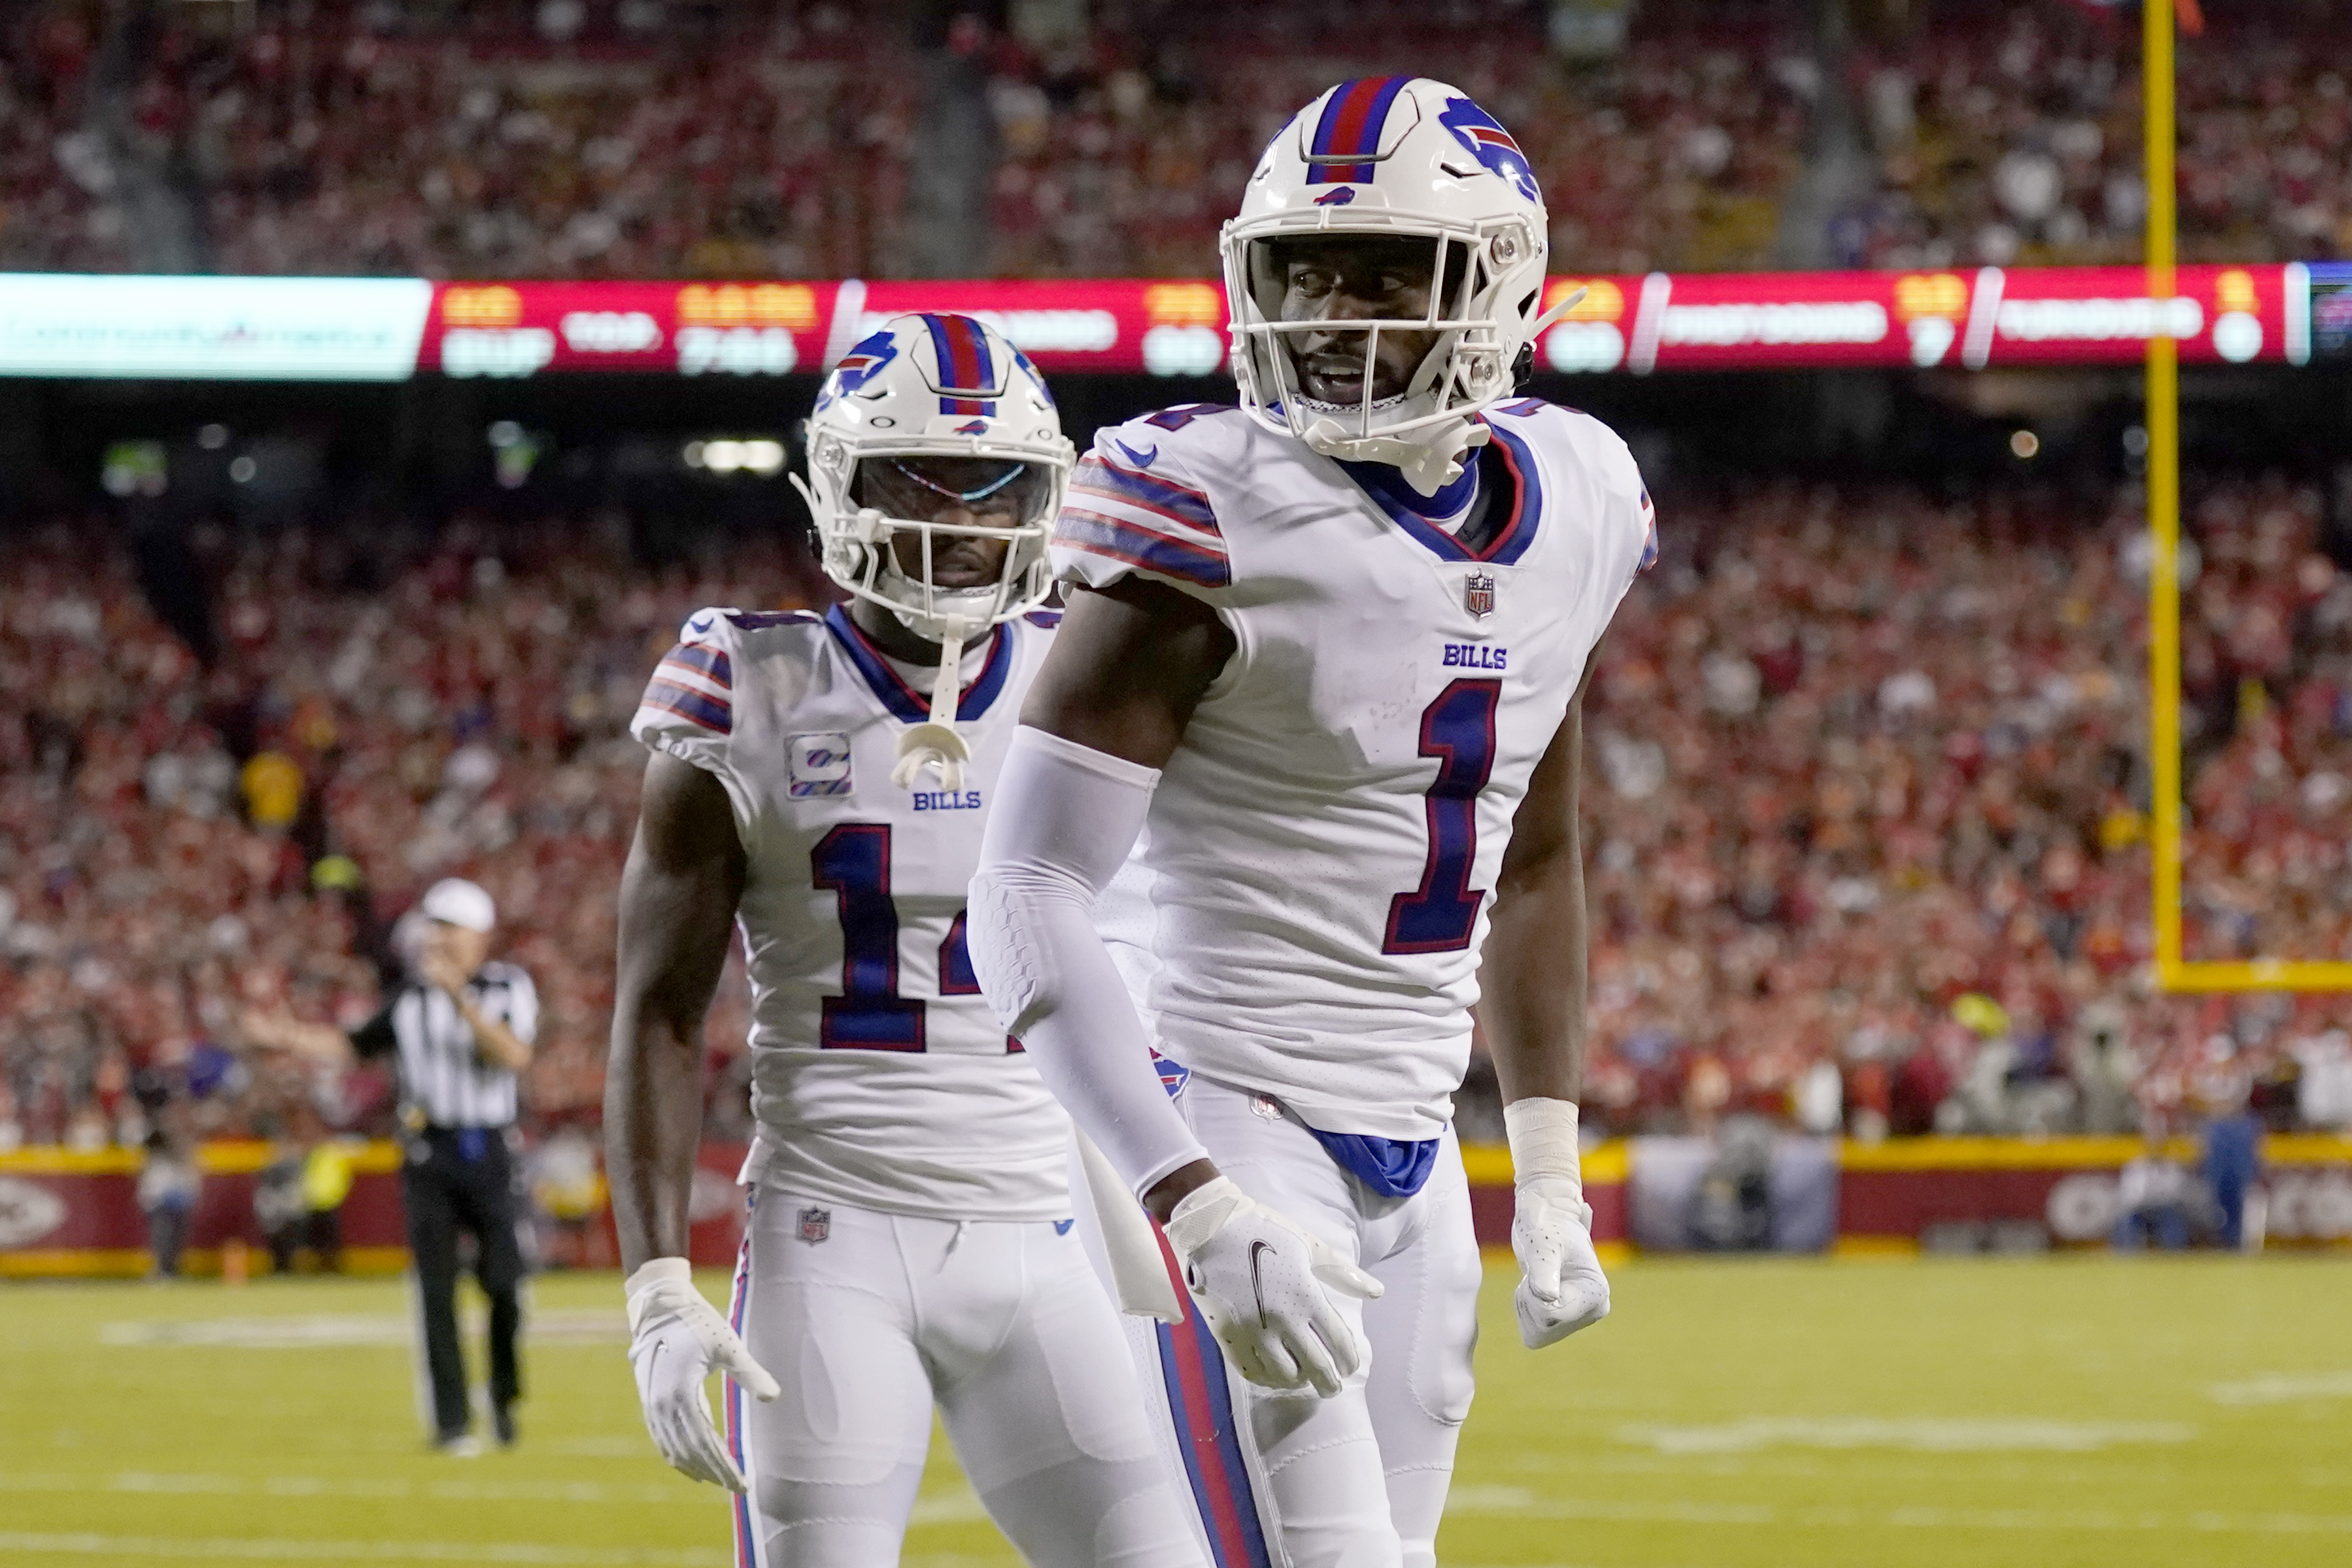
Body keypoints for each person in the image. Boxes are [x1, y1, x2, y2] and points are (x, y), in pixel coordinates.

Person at [966, 77, 1652, 1568]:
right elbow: (1016, 885)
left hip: (1409, 1135)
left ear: (1500, 285)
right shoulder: (1203, 509)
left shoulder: (1581, 495)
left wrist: (1543, 1166)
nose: (1332, 312)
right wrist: (1194, 1204)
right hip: (1211, 1099)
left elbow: (1533, 845)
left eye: (1387, 270)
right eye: (1303, 270)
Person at [605, 313, 1200, 1568]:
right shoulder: (743, 686)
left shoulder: (1081, 676)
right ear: (836, 486)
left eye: (998, 490)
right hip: (833, 1232)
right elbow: (661, 1010)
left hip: (1045, 1233)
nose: (963, 521)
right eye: (917, 480)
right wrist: (659, 1283)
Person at [246, 876, 536, 1454]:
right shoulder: (409, 999)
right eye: (433, 927)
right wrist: (289, 1037)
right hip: (428, 1153)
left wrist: (459, 997)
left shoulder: (507, 986)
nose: (436, 939)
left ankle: (502, 1396)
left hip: (491, 1149)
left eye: (448, 927)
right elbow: (352, 1045)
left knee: (504, 1283)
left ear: (477, 935)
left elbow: (511, 1055)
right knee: (435, 1292)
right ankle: (451, 1423)